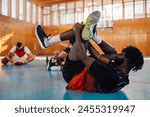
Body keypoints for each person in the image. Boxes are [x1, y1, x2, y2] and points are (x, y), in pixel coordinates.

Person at [35, 11, 144, 93]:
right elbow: (97, 56)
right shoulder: (122, 75)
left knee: (80, 31)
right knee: (112, 52)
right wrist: (89, 37)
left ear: (126, 60)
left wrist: (77, 32)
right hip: (86, 70)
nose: (119, 55)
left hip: (74, 75)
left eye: (122, 54)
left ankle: (47, 42)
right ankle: (94, 36)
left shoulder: (111, 75)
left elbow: (84, 57)